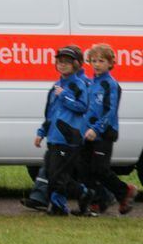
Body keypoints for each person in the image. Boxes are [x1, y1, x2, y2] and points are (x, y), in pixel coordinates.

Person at [35, 45, 90, 216]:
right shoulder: (56, 86)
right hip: (54, 136)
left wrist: (65, 95)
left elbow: (82, 106)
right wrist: (41, 132)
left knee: (59, 175)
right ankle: (59, 206)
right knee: (52, 174)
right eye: (60, 62)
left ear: (75, 65)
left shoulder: (79, 85)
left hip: (69, 137)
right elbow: (50, 113)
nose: (63, 65)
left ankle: (84, 192)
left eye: (67, 62)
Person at [82, 43, 135, 215]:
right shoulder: (90, 83)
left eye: (101, 61)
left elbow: (109, 110)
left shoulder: (110, 84)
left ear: (110, 63)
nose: (97, 64)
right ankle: (98, 201)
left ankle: (124, 191)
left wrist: (97, 129)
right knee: (86, 169)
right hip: (88, 133)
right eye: (94, 60)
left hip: (104, 133)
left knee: (100, 169)